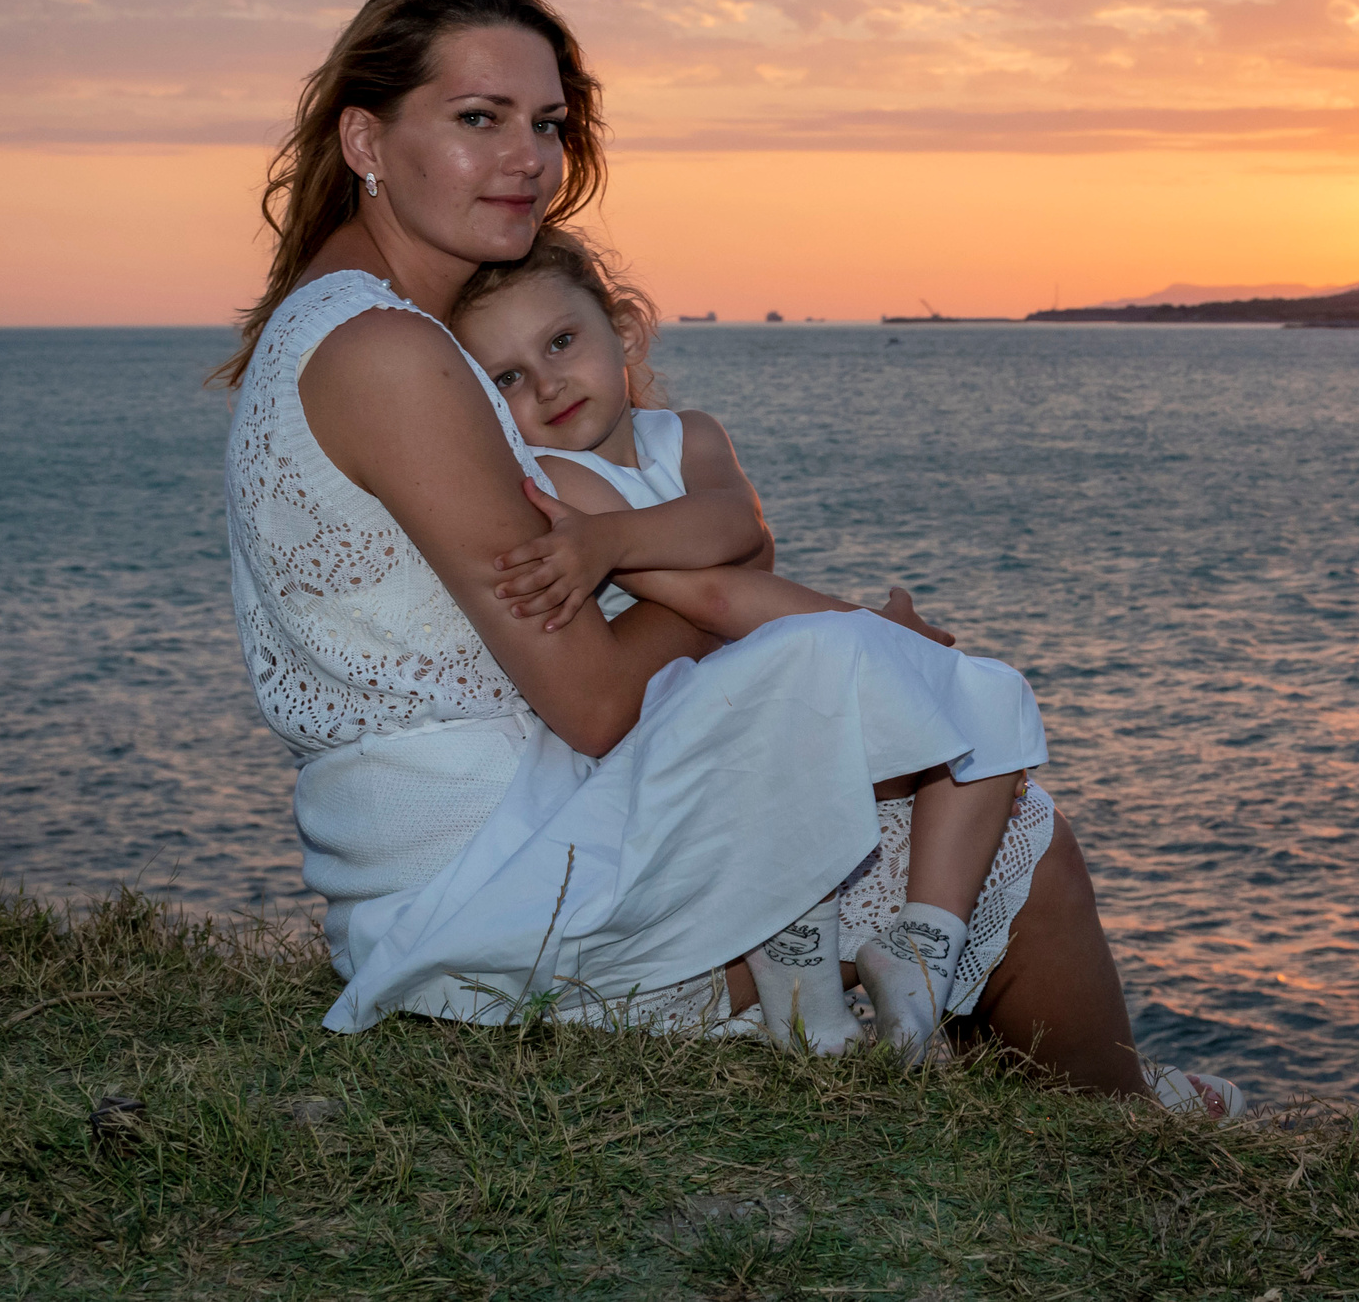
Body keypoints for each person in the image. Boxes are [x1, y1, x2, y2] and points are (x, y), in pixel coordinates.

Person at [216, 0, 1240, 1114]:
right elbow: (597, 701)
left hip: (483, 846)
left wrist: (712, 585)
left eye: (545, 123)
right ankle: (1118, 1127)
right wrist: (737, 589)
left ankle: (1075, 1107)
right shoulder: (390, 355)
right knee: (1008, 827)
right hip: (500, 897)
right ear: (365, 139)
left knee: (926, 768)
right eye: (476, 119)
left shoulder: (358, 327)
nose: (526, 158)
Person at [444, 225, 1044, 1061]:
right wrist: (873, 636)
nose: (546, 383)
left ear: (624, 329)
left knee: (983, 701)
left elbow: (737, 525)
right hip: (682, 751)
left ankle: (918, 956)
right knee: (892, 696)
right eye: (507, 377)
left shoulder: (689, 436)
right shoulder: (556, 485)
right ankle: (796, 965)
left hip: (764, 688)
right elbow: (719, 593)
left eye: (562, 341)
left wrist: (613, 542)